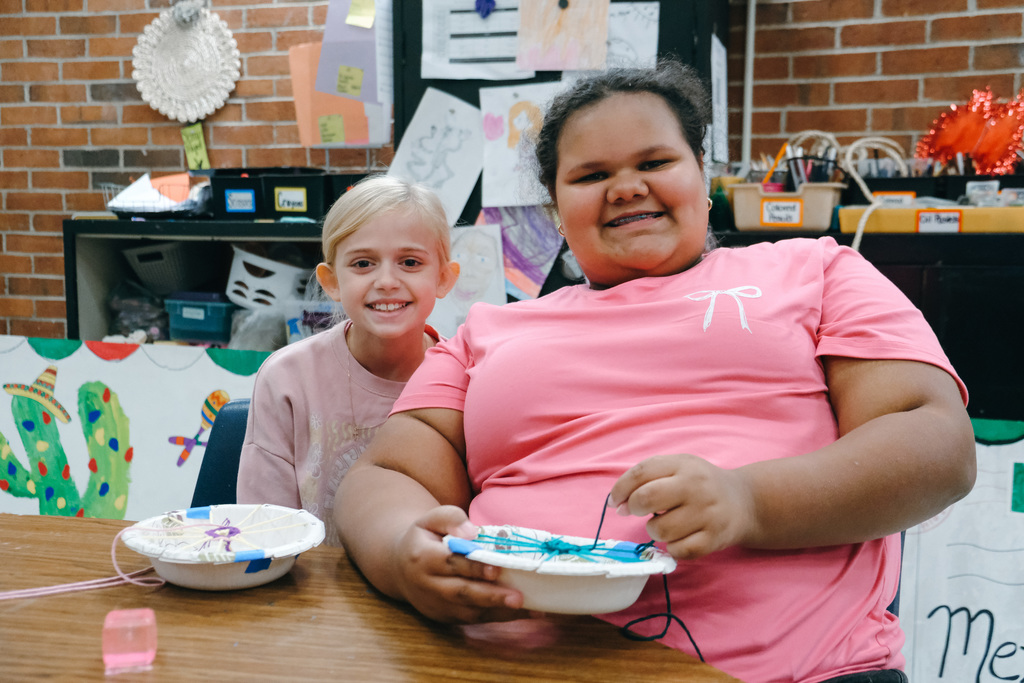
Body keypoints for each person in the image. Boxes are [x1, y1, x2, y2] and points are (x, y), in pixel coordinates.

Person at [335, 60, 976, 683]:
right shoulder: (486, 332)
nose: (625, 187)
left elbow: (936, 442)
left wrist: (751, 502)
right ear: (556, 208)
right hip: (508, 664)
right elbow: (387, 474)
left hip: (798, 672)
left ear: (702, 173)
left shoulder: (817, 270)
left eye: (654, 163)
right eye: (591, 174)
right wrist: (402, 553)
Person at [236, 175, 459, 546]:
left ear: (444, 277)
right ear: (331, 281)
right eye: (363, 263)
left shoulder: (466, 380)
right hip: (307, 578)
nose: (386, 281)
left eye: (409, 262)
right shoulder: (286, 377)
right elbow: (265, 532)